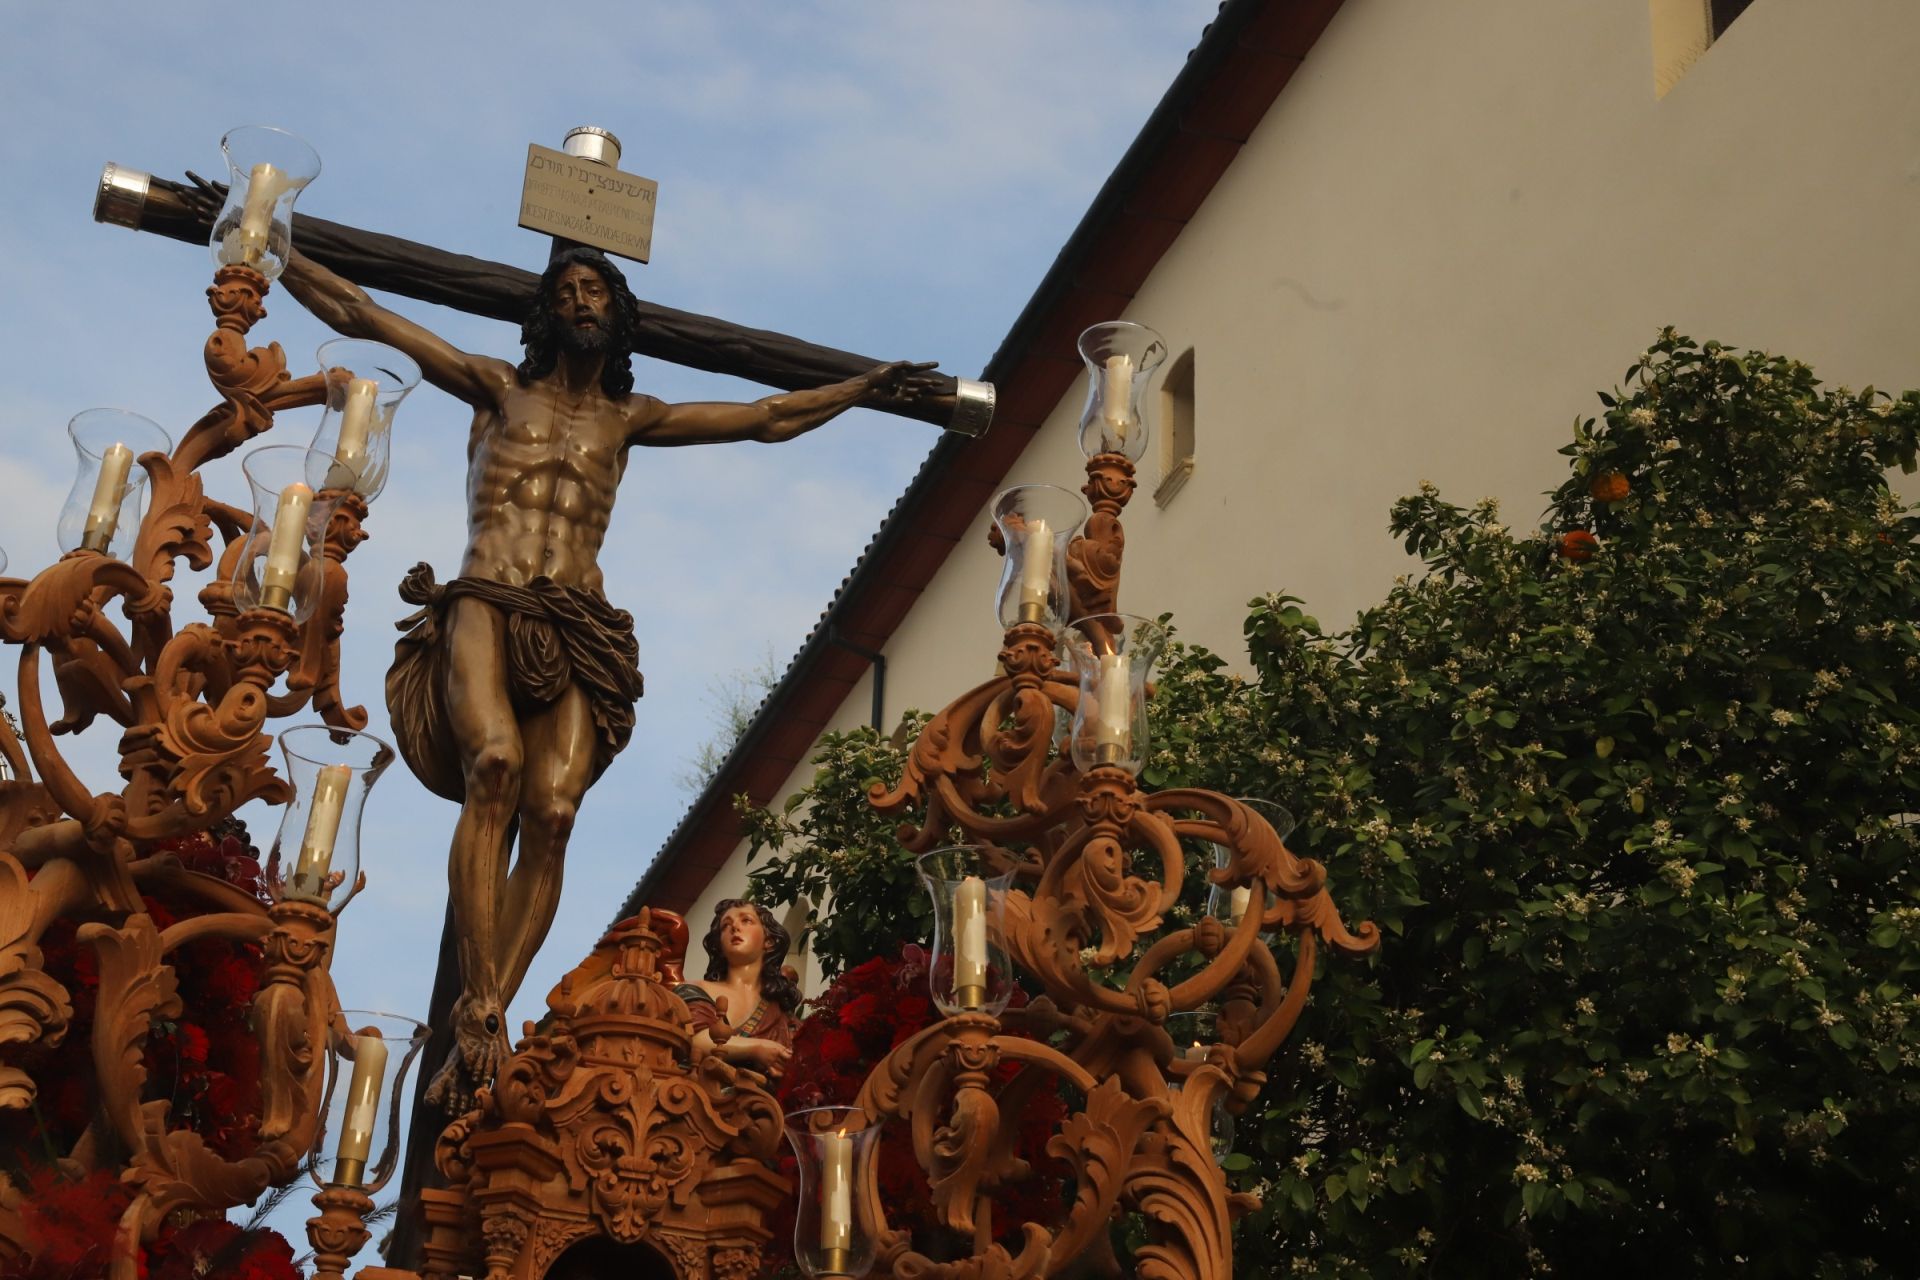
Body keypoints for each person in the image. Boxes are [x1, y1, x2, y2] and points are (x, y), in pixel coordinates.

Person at [280, 246, 931, 1108]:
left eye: (595, 292)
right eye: (567, 291)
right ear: (546, 312)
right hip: (487, 592)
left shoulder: (629, 419)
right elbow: (365, 314)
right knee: (498, 768)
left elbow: (767, 416)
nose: (581, 301)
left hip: (576, 620)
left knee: (552, 812)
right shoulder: (495, 387)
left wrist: (863, 387)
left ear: (617, 316)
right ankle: (474, 1009)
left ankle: (489, 1015)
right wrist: (272, 239)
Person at [674, 899, 798, 1077]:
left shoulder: (783, 1017)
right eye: (726, 925)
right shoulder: (694, 990)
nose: (734, 928)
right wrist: (756, 1048)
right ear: (720, 944)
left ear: (769, 940)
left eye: (746, 920)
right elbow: (692, 1039)